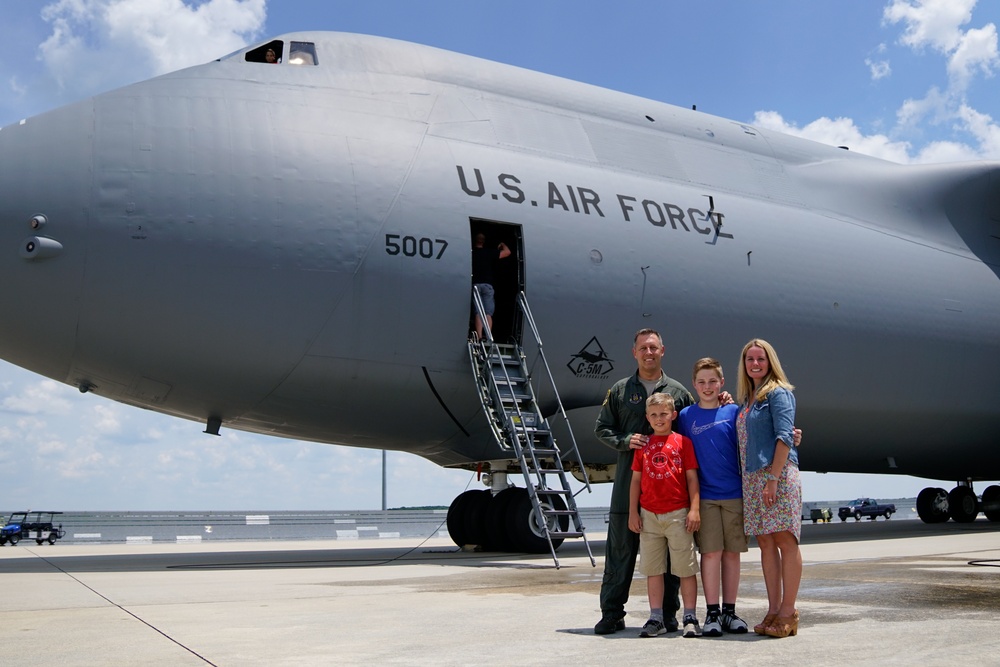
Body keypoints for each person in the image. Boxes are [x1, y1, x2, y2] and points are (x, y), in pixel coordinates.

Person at [593, 328, 694, 635]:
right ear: (633, 352)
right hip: (629, 483)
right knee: (620, 550)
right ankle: (612, 613)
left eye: (654, 348)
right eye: (643, 348)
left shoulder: (677, 392)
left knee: (670, 555)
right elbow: (602, 429)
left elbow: (693, 426)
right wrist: (626, 440)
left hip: (669, 490)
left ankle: (667, 613)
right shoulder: (621, 390)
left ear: (662, 350)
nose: (648, 353)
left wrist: (722, 399)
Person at [677, 358, 749, 637]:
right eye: (702, 382)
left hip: (734, 495)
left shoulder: (734, 411)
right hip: (704, 497)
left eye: (713, 381)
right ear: (694, 385)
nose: (707, 387)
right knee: (710, 554)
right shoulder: (686, 416)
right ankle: (713, 614)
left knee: (732, 554)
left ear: (722, 383)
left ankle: (730, 612)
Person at [736, 338, 801, 638]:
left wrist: (773, 478)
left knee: (785, 541)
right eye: (750, 359)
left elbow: (785, 436)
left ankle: (789, 611)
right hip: (752, 478)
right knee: (765, 543)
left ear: (770, 361)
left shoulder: (778, 393)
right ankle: (773, 609)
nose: (755, 364)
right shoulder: (747, 400)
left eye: (760, 359)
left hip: (777, 475)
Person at [629, 393, 702, 638]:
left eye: (663, 414)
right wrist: (633, 512)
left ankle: (690, 616)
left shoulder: (683, 442)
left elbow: (692, 478)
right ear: (647, 418)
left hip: (678, 513)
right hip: (649, 515)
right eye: (654, 415)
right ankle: (656, 617)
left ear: (673, 415)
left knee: (685, 568)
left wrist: (694, 509)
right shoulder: (644, 445)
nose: (659, 419)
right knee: (653, 569)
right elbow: (636, 481)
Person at [470, 232, 510, 340]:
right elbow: (507, 252)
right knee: (488, 313)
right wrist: (502, 244)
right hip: (487, 285)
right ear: (483, 242)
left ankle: (479, 336)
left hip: (476, 284)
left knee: (478, 312)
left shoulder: (471, 253)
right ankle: (488, 336)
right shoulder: (489, 253)